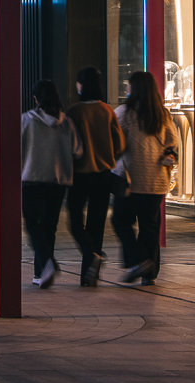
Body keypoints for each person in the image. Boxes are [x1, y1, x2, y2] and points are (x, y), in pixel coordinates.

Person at [112, 70, 177, 286]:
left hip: (130, 179)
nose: (127, 89)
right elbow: (172, 142)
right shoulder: (162, 114)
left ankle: (139, 261)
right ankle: (150, 273)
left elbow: (115, 142)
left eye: (129, 86)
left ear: (135, 89)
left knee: (121, 221)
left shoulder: (124, 113)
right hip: (156, 181)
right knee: (150, 227)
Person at [66, 66, 125, 287]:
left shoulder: (74, 112)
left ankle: (90, 253)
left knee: (74, 221)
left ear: (81, 85)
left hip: (79, 175)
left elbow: (67, 144)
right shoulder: (107, 110)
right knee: (96, 224)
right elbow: (120, 144)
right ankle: (89, 276)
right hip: (103, 175)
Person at [20, 79, 81, 288]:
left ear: (36, 99)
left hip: (32, 179)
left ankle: (46, 264)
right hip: (58, 181)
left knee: (32, 225)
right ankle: (41, 273)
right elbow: (78, 150)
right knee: (49, 227)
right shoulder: (66, 123)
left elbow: (15, 148)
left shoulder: (26, 120)